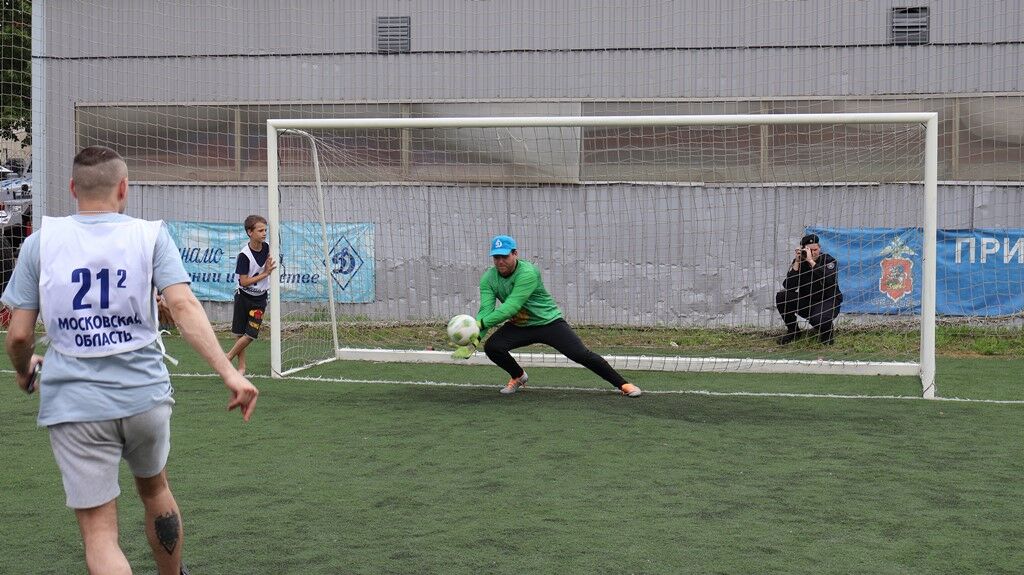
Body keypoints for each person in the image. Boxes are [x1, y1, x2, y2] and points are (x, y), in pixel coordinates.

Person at [2, 145, 259, 575]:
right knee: (155, 489)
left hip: (75, 403)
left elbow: (19, 335)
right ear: (124, 188)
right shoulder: (150, 234)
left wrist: (24, 368)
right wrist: (229, 373)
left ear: (72, 189)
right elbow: (184, 307)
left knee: (100, 534)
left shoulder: (40, 243)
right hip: (145, 396)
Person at [453, 234, 642, 397]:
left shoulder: (528, 272)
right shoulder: (488, 278)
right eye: (496, 257)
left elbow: (510, 307)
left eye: (504, 256)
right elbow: (486, 311)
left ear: (515, 253)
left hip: (548, 323)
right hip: (520, 325)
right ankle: (518, 376)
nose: (500, 261)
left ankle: (623, 384)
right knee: (493, 347)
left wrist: (478, 324)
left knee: (580, 354)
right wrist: (473, 341)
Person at [225, 214, 277, 374]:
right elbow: (244, 282)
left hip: (259, 300)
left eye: (265, 230)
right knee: (240, 333)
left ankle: (227, 357)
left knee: (251, 334)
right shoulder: (244, 256)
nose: (264, 233)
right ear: (249, 232)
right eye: (260, 230)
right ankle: (241, 367)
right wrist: (265, 274)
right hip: (243, 297)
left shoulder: (268, 248)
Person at [775, 233, 844, 345]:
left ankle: (827, 334)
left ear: (819, 248)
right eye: (809, 250)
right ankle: (793, 332)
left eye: (815, 249)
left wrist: (812, 262)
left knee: (819, 319)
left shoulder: (828, 260)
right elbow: (789, 287)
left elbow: (830, 280)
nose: (812, 253)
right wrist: (797, 262)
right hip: (808, 301)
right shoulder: (800, 263)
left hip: (828, 301)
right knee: (782, 297)